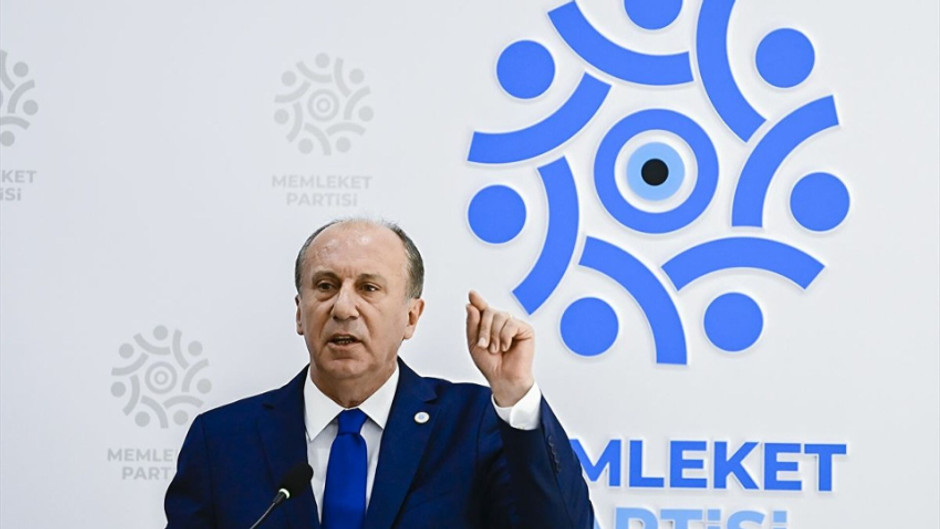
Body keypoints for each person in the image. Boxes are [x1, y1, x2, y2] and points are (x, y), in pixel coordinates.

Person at [164, 218, 593, 528]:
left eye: (368, 288)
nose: (343, 308)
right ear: (299, 312)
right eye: (325, 286)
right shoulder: (221, 441)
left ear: (411, 317)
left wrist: (516, 395)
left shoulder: (474, 425)